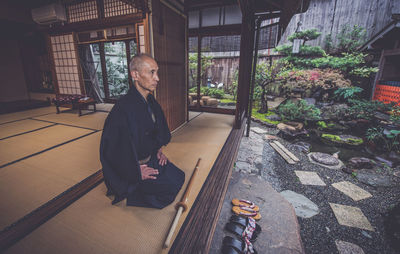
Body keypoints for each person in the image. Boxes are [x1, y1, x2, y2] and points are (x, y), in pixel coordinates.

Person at [100, 53, 185, 209]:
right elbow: (112, 149)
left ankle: (147, 178)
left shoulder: (150, 101)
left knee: (179, 176)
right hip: (132, 167)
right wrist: (135, 170)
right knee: (168, 191)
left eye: (157, 72)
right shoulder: (122, 109)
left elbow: (156, 131)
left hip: (150, 157)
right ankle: (133, 189)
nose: (157, 78)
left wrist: (158, 150)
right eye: (152, 72)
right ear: (135, 75)